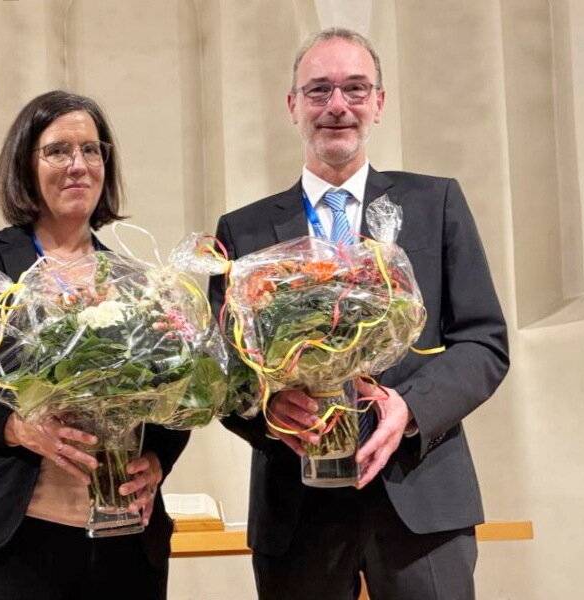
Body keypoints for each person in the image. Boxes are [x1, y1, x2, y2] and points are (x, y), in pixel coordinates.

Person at [209, 28, 509, 599]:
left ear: (379, 102)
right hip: (296, 510)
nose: (337, 106)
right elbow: (224, 369)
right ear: (292, 105)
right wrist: (270, 406)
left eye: (354, 88)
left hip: (421, 497)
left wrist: (410, 409)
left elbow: (483, 341)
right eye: (319, 90)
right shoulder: (242, 230)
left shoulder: (435, 203)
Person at [0, 90, 189, 600]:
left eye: (91, 150)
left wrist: (159, 459)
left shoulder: (138, 282)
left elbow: (177, 398)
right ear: (25, 164)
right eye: (58, 150)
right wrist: (15, 427)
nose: (77, 165)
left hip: (117, 547)